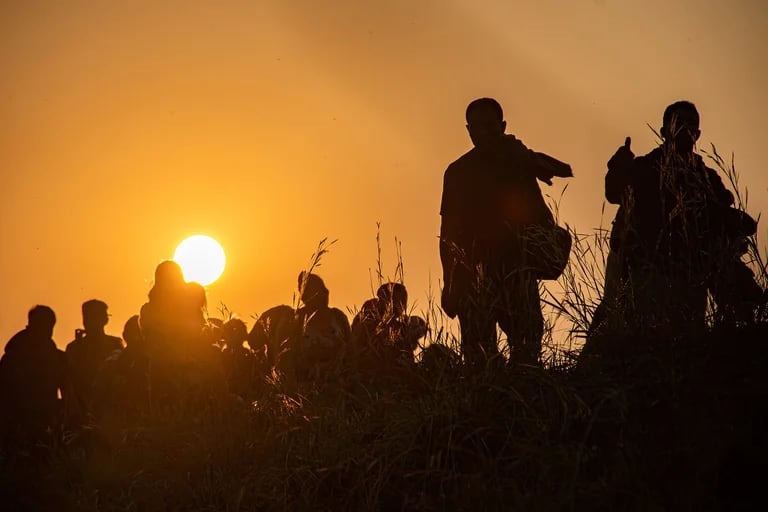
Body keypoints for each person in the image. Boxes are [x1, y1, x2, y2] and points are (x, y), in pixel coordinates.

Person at [589, 100, 761, 345]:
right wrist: (617, 167)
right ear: (663, 131)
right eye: (679, 122)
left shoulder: (706, 176)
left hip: (689, 272)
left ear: (698, 134)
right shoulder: (644, 167)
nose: (686, 129)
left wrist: (732, 221)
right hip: (646, 270)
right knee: (630, 334)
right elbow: (614, 193)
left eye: (692, 125)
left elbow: (723, 214)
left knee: (686, 340)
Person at [439, 97, 572, 368]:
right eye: (477, 127)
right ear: (468, 130)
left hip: (516, 271)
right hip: (473, 275)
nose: (484, 133)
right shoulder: (457, 173)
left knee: (527, 353)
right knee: (478, 360)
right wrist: (450, 284)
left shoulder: (518, 163)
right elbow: (448, 233)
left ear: (502, 126)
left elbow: (539, 216)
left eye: (490, 126)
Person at [0, 306, 67, 450]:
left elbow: (69, 396)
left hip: (47, 430)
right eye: (39, 326)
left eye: (47, 326)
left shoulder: (59, 359)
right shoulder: (12, 359)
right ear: (30, 325)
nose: (43, 331)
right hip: (15, 432)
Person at [351, 282, 427, 375]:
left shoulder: (394, 322)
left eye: (403, 303)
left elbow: (419, 328)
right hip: (370, 368)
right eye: (399, 302)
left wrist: (414, 329)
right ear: (387, 299)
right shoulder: (371, 311)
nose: (402, 307)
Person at [65, 300, 123, 417]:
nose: (88, 321)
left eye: (92, 316)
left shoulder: (114, 344)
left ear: (104, 319)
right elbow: (70, 378)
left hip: (109, 408)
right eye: (86, 316)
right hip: (82, 409)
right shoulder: (74, 347)